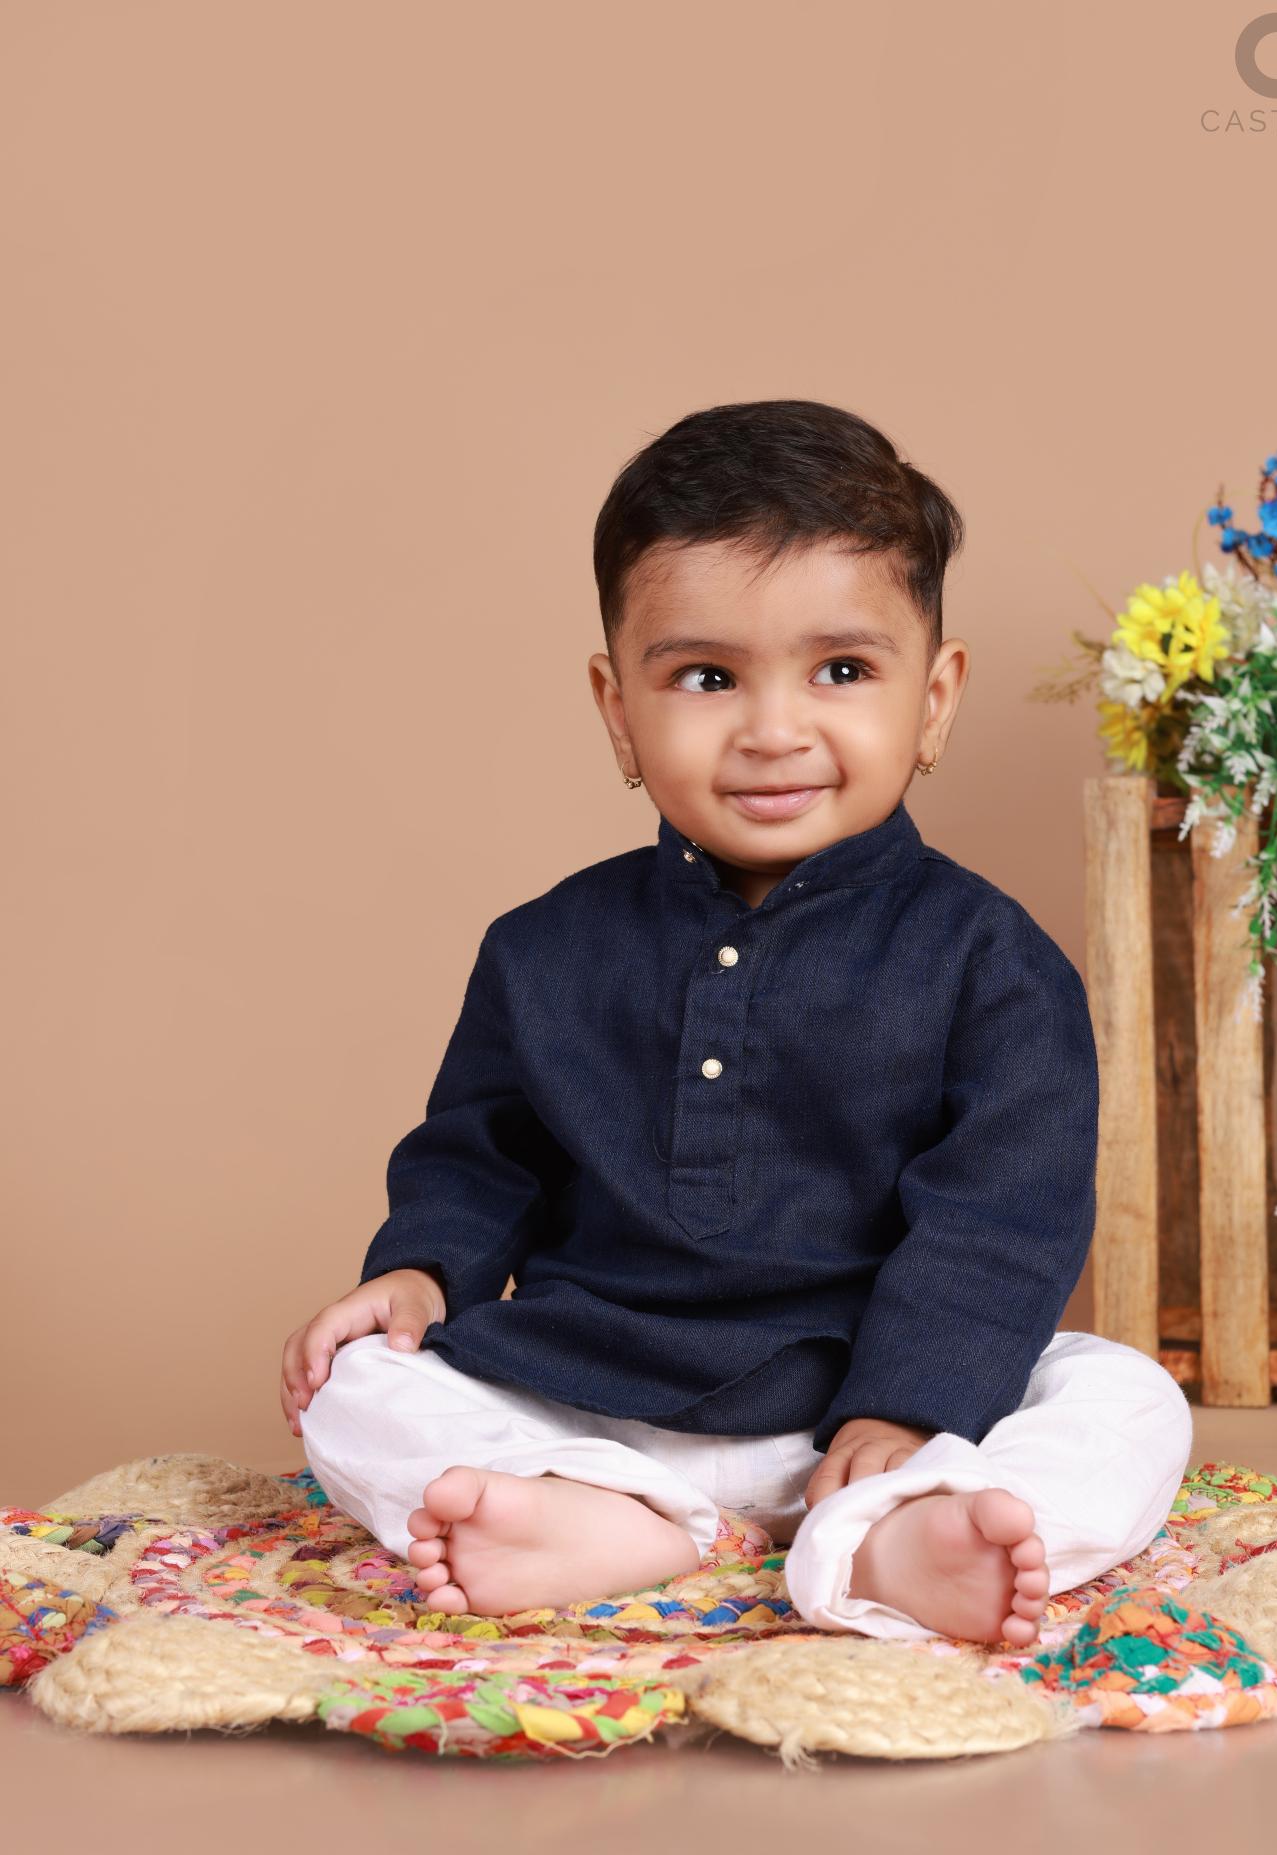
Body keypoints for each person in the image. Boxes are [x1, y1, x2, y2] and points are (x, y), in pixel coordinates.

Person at [279, 398, 1193, 1649]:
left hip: (860, 1417)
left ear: (933, 699)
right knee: (351, 1382)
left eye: (842, 671)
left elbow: (1000, 1222)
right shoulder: (543, 947)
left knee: (1123, 1392)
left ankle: (891, 1537)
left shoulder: (991, 962)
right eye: (706, 677)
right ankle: (598, 1517)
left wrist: (907, 1404)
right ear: (618, 706)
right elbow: (479, 1156)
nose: (772, 730)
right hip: (584, 1401)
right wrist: (418, 1271)